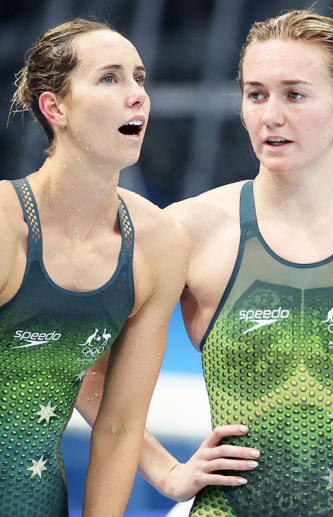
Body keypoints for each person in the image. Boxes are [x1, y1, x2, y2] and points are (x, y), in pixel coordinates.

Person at [76, 11, 333, 515]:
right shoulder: (187, 230)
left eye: (294, 95)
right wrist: (167, 472)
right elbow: (76, 362)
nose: (270, 115)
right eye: (256, 94)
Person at [1, 19, 188, 515]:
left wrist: (169, 472)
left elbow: (119, 424)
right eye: (109, 78)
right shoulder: (4, 226)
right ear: (54, 107)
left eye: (139, 78)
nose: (137, 96)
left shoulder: (157, 243)